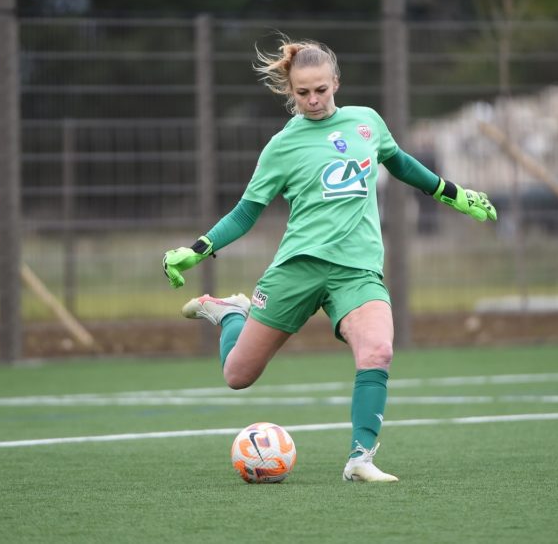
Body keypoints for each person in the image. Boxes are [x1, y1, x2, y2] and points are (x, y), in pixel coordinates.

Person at [163, 36, 496, 483]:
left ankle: (360, 459)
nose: (314, 100)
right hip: (298, 267)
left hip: (357, 270)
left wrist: (453, 194)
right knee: (238, 376)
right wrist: (197, 249)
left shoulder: (366, 122)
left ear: (336, 82)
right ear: (290, 92)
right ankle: (231, 314)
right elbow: (245, 213)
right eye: (303, 93)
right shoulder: (282, 146)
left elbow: (400, 163)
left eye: (321, 89)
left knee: (378, 350)